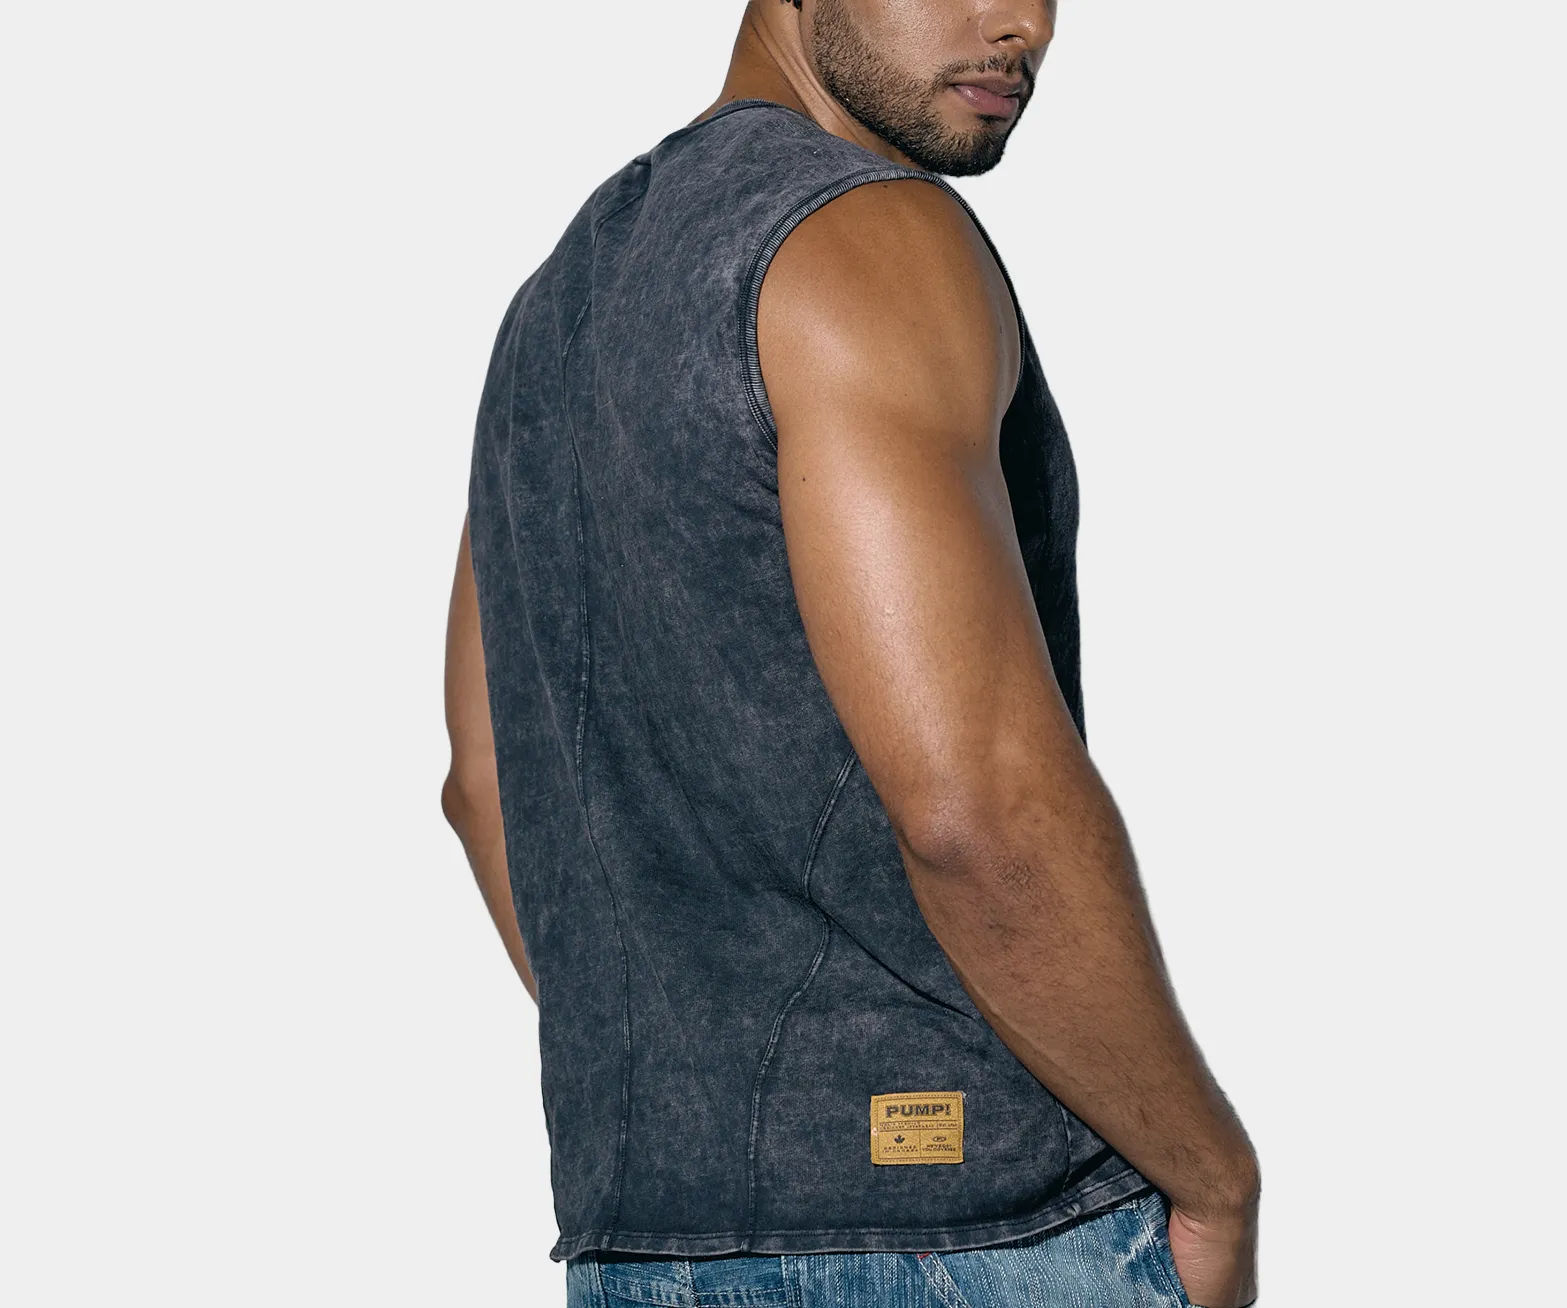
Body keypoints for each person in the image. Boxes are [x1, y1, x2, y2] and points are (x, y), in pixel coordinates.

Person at [441, 2, 1260, 1304]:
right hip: (976, 1234)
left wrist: (719, 1106)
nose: (1021, 23)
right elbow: (976, 810)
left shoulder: (558, 300)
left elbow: (486, 786)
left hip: (644, 1239)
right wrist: (1213, 1177)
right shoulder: (866, 235)